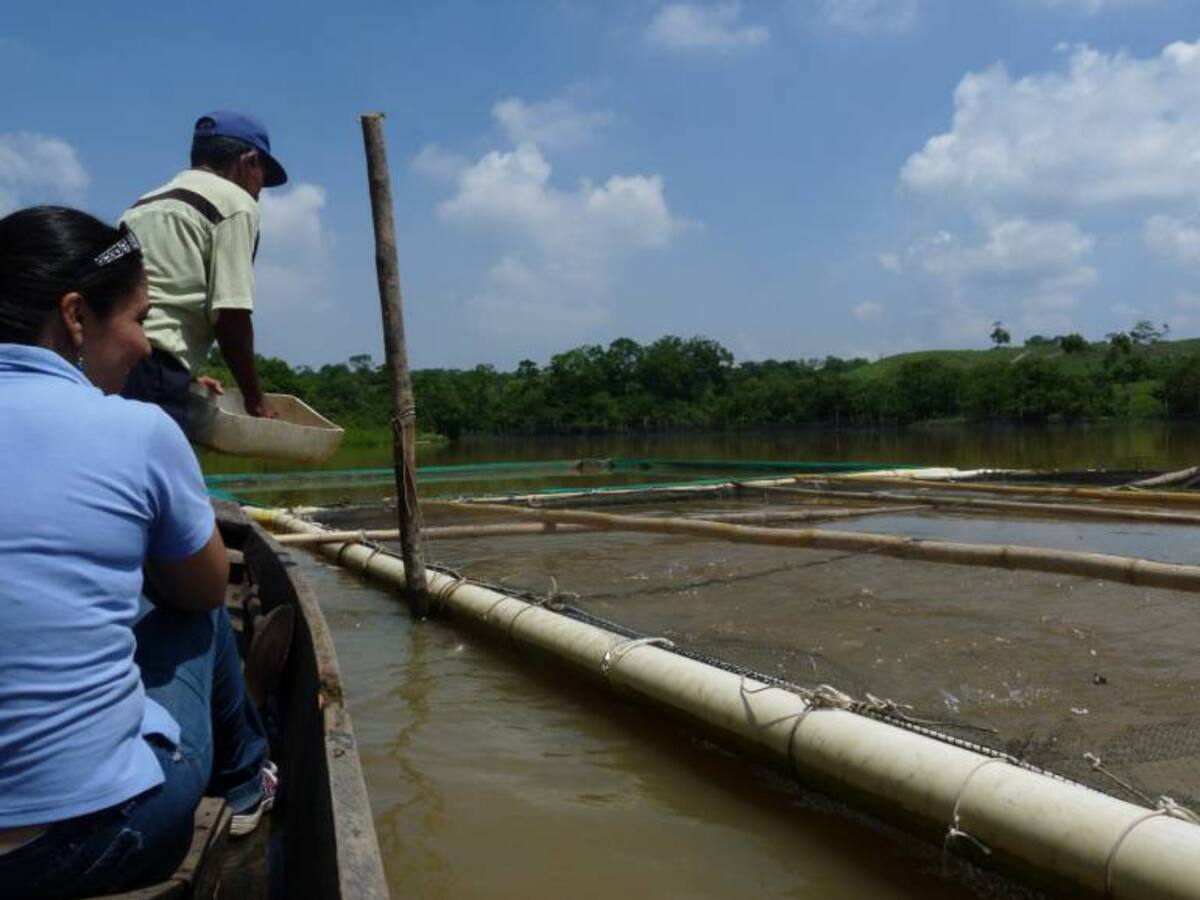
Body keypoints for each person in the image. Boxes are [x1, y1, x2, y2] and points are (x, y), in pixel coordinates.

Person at [0, 206, 277, 898]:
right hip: (75, 843)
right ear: (74, 317)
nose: (147, 347)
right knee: (202, 602)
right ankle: (248, 787)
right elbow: (207, 591)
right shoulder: (138, 429)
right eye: (137, 319)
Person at [120, 110, 288, 427]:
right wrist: (255, 398)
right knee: (154, 474)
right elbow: (231, 313)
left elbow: (160, 292)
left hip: (106, 363)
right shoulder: (235, 203)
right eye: (263, 172)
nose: (261, 186)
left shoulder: (141, 206)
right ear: (248, 161)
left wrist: (189, 379)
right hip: (154, 366)